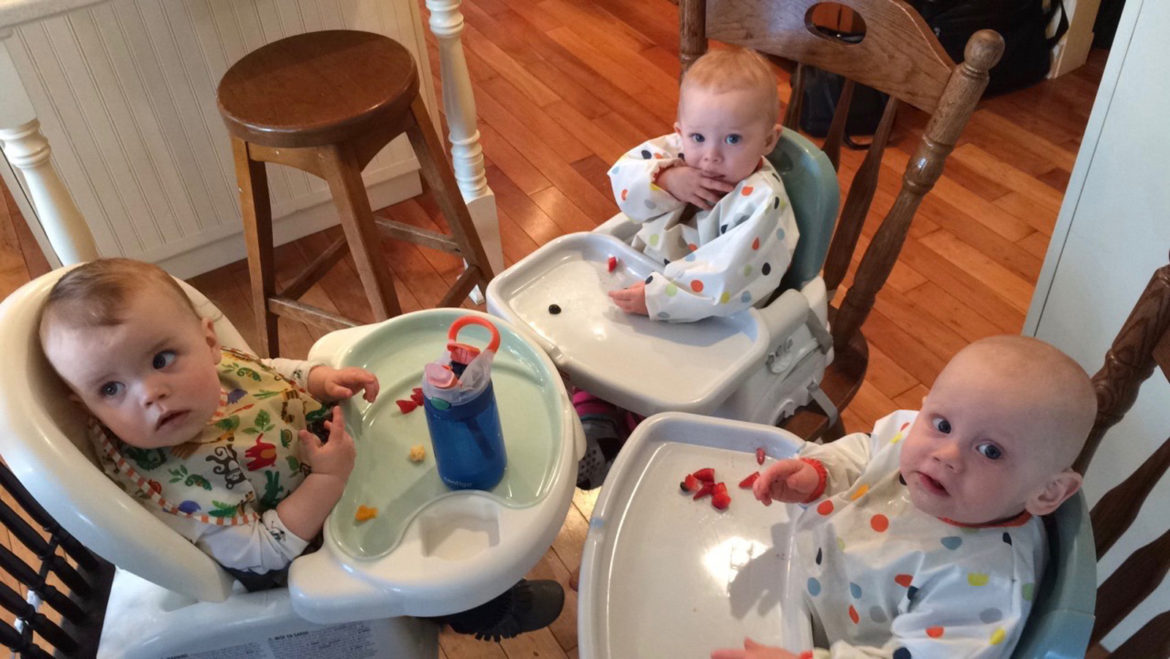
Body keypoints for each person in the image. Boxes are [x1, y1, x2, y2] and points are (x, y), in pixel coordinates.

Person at [39, 258, 562, 641]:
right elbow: (262, 550)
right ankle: (483, 612)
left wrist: (317, 379)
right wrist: (327, 482)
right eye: (110, 390)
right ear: (85, 406)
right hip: (313, 545)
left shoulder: (216, 372)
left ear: (209, 342)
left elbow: (265, 374)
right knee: (427, 566)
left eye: (161, 359)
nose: (149, 392)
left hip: (333, 462)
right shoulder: (178, 488)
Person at [712, 335, 1096, 658]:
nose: (946, 454)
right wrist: (821, 473)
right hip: (798, 577)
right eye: (942, 423)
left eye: (991, 451)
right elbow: (867, 452)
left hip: (828, 641)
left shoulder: (983, 590)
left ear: (1048, 493)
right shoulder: (915, 434)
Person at [577, 46, 801, 489]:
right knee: (597, 341)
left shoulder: (761, 200)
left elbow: (723, 276)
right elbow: (622, 175)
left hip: (712, 312)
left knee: (662, 369)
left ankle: (635, 429)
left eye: (733, 140)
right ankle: (594, 417)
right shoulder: (678, 154)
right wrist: (664, 178)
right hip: (650, 280)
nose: (710, 156)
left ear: (768, 141)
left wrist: (658, 297)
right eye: (697, 138)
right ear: (680, 131)